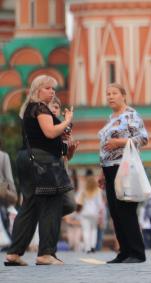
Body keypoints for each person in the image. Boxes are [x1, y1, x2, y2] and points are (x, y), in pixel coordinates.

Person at [4, 75, 74, 266]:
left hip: (27, 158)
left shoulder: (29, 109)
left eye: (53, 89)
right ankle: (46, 253)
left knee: (29, 206)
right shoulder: (40, 108)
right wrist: (67, 121)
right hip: (43, 161)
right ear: (38, 90)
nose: (52, 92)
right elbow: (50, 132)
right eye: (48, 88)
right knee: (52, 203)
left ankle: (14, 253)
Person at [98, 83, 148, 264]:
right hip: (109, 167)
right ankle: (124, 251)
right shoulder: (111, 117)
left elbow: (143, 138)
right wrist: (102, 171)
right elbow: (104, 145)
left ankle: (137, 252)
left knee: (126, 209)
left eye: (114, 93)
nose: (110, 97)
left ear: (123, 96)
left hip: (124, 166)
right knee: (115, 211)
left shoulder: (131, 115)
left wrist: (119, 142)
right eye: (108, 94)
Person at [76, 169, 105, 253]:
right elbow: (100, 204)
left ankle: (87, 248)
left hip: (84, 213)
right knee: (94, 230)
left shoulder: (83, 190)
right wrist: (100, 213)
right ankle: (92, 246)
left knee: (86, 230)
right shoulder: (98, 190)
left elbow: (78, 201)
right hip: (94, 213)